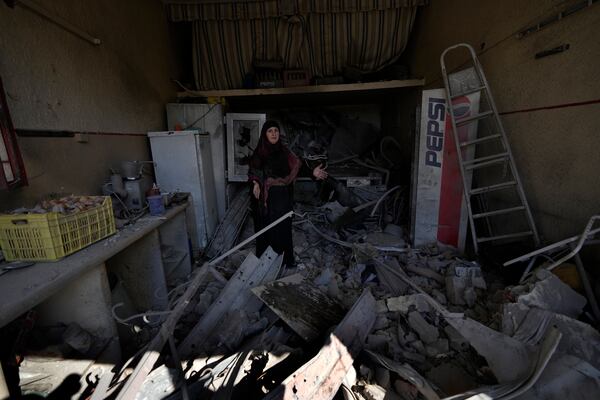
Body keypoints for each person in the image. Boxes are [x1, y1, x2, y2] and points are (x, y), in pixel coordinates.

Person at [248, 120, 327, 267]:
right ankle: (267, 264)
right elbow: (253, 171)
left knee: (283, 229)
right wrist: (255, 183)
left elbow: (298, 167)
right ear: (265, 134)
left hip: (284, 197)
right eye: (270, 131)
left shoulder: (285, 152)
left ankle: (284, 261)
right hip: (268, 199)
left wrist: (313, 172)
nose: (273, 134)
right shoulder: (260, 153)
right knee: (268, 229)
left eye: (276, 131)